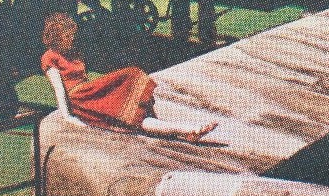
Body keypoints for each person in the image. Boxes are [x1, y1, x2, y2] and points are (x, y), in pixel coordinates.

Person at [40, 12, 217, 141]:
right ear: (57, 38)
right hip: (81, 98)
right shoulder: (49, 57)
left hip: (89, 92)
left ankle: (187, 130)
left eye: (72, 35)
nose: (72, 39)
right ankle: (187, 130)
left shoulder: (74, 52)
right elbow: (59, 89)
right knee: (131, 81)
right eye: (68, 36)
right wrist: (68, 116)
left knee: (137, 108)